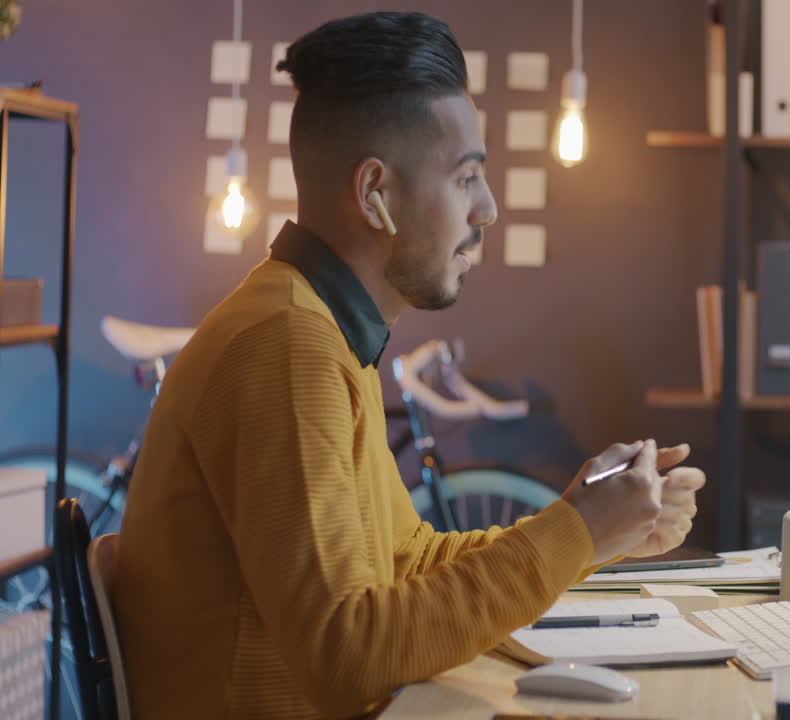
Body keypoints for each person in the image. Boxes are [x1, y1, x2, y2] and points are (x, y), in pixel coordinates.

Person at [112, 12, 704, 719]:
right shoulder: (287, 345)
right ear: (375, 196)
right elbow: (347, 656)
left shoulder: (319, 326)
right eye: (467, 178)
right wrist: (575, 534)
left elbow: (407, 559)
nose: (486, 210)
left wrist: (590, 526)